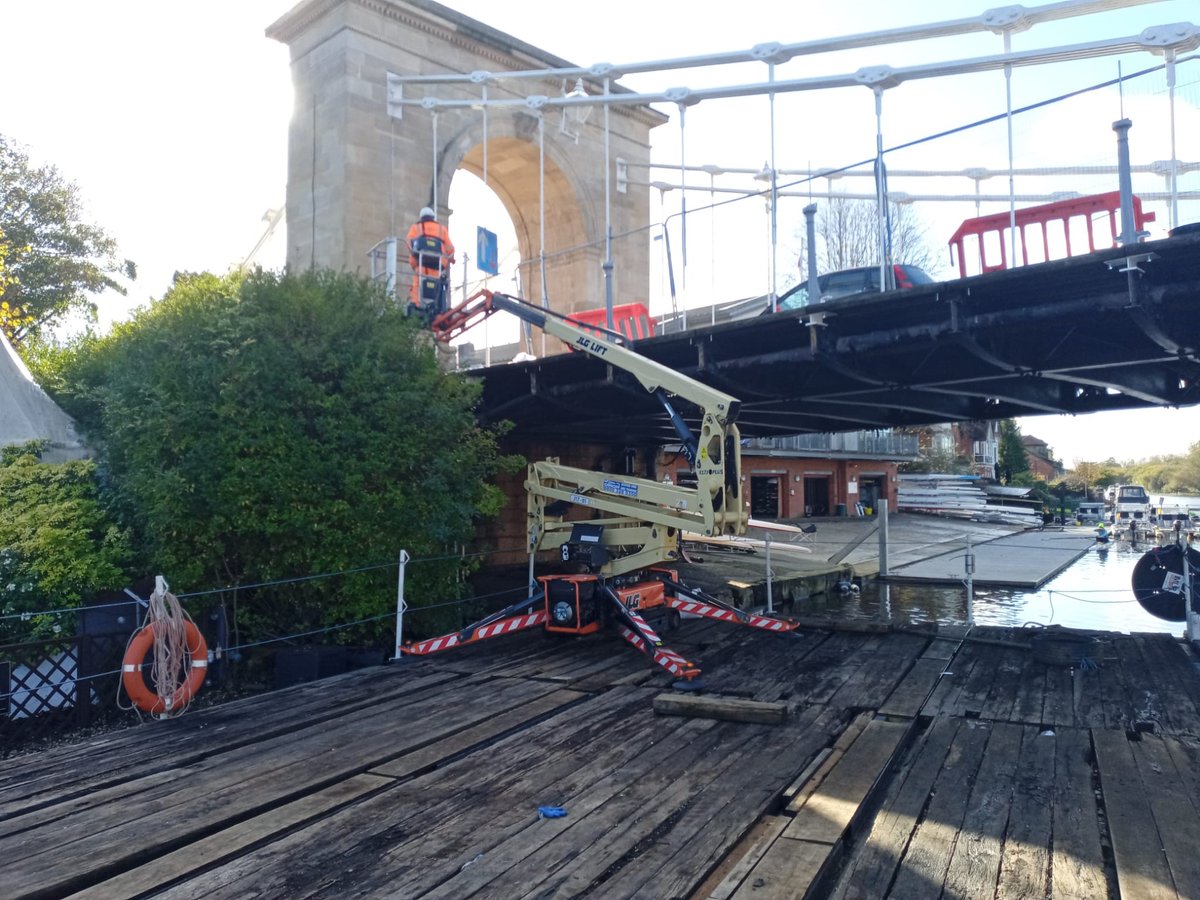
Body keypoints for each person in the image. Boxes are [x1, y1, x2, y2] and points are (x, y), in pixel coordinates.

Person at [406, 206, 455, 320]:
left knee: (418, 284)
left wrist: (414, 253)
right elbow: (450, 248)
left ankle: (417, 304)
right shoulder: (441, 229)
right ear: (433, 217)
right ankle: (437, 306)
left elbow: (409, 243)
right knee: (436, 285)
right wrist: (451, 259)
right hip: (437, 264)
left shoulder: (416, 227)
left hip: (421, 262)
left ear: (421, 217)